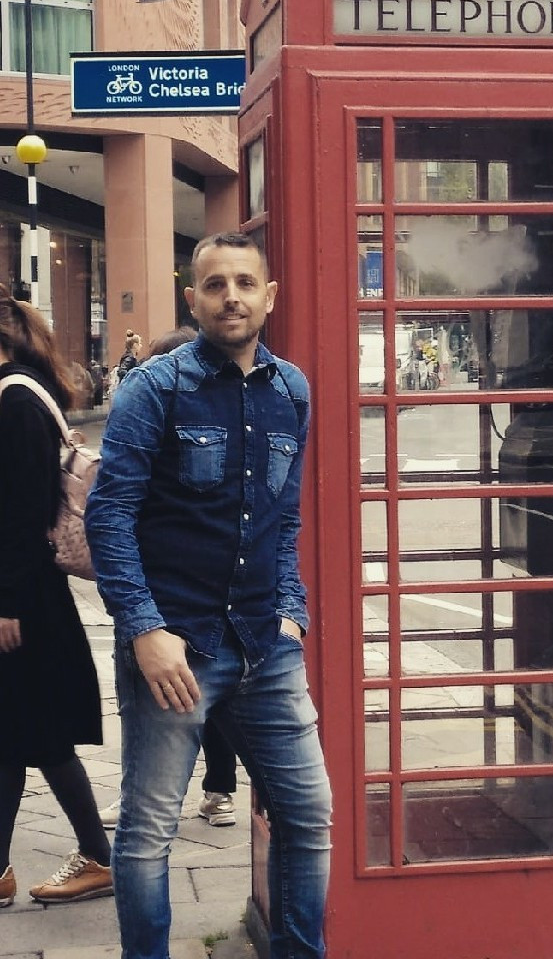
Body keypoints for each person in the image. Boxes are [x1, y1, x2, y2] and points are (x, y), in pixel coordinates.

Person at [85, 232, 332, 959]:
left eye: (245, 283)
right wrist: (144, 630)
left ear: (269, 296)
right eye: (216, 285)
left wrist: (291, 611)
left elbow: (282, 518)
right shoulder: (154, 389)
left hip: (265, 645)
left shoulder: (291, 390)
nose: (232, 298)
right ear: (192, 299)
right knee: (149, 830)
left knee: (308, 814)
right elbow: (110, 515)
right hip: (177, 645)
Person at [97, 325, 241, 832]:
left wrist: (290, 614)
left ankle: (176, 794)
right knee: (200, 712)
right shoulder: (167, 404)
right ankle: (213, 792)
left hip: (186, 600)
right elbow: (112, 512)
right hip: (181, 605)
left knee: (161, 710)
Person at [0, 287, 113, 907]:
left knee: (30, 733)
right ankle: (19, 867)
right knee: (24, 733)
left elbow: (22, 512)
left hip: (24, 600)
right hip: (24, 593)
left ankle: (94, 856)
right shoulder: (16, 393)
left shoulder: (16, 400)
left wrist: (7, 603)